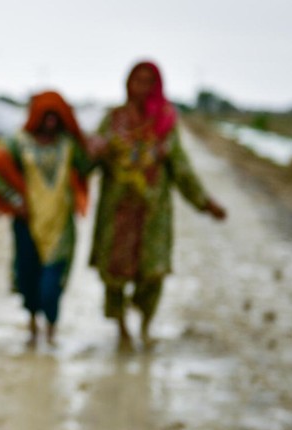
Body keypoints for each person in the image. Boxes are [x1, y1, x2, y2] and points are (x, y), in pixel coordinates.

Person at [88, 60, 226, 349]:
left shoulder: (164, 123)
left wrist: (205, 203)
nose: (141, 86)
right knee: (113, 275)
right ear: (127, 84)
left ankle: (145, 324)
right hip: (117, 214)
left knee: (152, 274)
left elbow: (181, 169)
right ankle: (122, 329)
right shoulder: (112, 120)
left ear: (157, 86)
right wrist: (93, 151)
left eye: (148, 81)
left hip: (152, 215)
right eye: (136, 80)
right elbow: (89, 160)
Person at [0, 91, 92, 347]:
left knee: (52, 284)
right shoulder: (18, 142)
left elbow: (86, 167)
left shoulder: (69, 144)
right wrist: (15, 201)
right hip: (27, 224)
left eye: (56, 116)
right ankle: (33, 327)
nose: (51, 122)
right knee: (29, 277)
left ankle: (51, 331)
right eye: (46, 116)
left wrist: (94, 148)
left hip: (60, 224)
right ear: (36, 117)